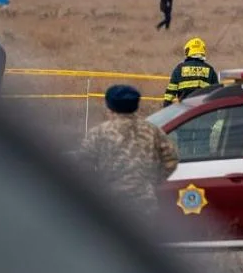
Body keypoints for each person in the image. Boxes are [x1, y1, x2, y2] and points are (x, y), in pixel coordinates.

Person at [75, 85, 181, 217]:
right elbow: (171, 159)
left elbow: (83, 166)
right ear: (136, 106)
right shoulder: (152, 131)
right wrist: (151, 181)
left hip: (110, 202)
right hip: (144, 203)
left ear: (109, 107)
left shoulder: (99, 133)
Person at [162, 37, 219, 107]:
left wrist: (166, 105)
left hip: (184, 109)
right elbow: (216, 92)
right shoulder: (210, 70)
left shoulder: (180, 68)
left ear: (188, 51)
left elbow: (171, 91)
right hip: (202, 110)